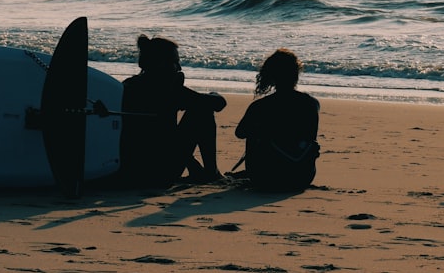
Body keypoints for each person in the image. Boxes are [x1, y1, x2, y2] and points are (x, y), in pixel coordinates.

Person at [119, 35, 227, 187]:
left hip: (130, 169)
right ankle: (211, 172)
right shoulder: (168, 89)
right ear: (162, 63)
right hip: (160, 172)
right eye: (175, 62)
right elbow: (218, 103)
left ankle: (202, 171)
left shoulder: (128, 85)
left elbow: (161, 134)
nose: (179, 67)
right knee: (202, 111)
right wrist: (213, 94)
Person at [234, 49, 320, 192]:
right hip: (302, 176)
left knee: (253, 134)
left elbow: (240, 133)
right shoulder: (311, 104)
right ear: (296, 74)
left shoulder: (259, 106)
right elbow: (311, 137)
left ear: (271, 75)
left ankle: (261, 166)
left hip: (265, 178)